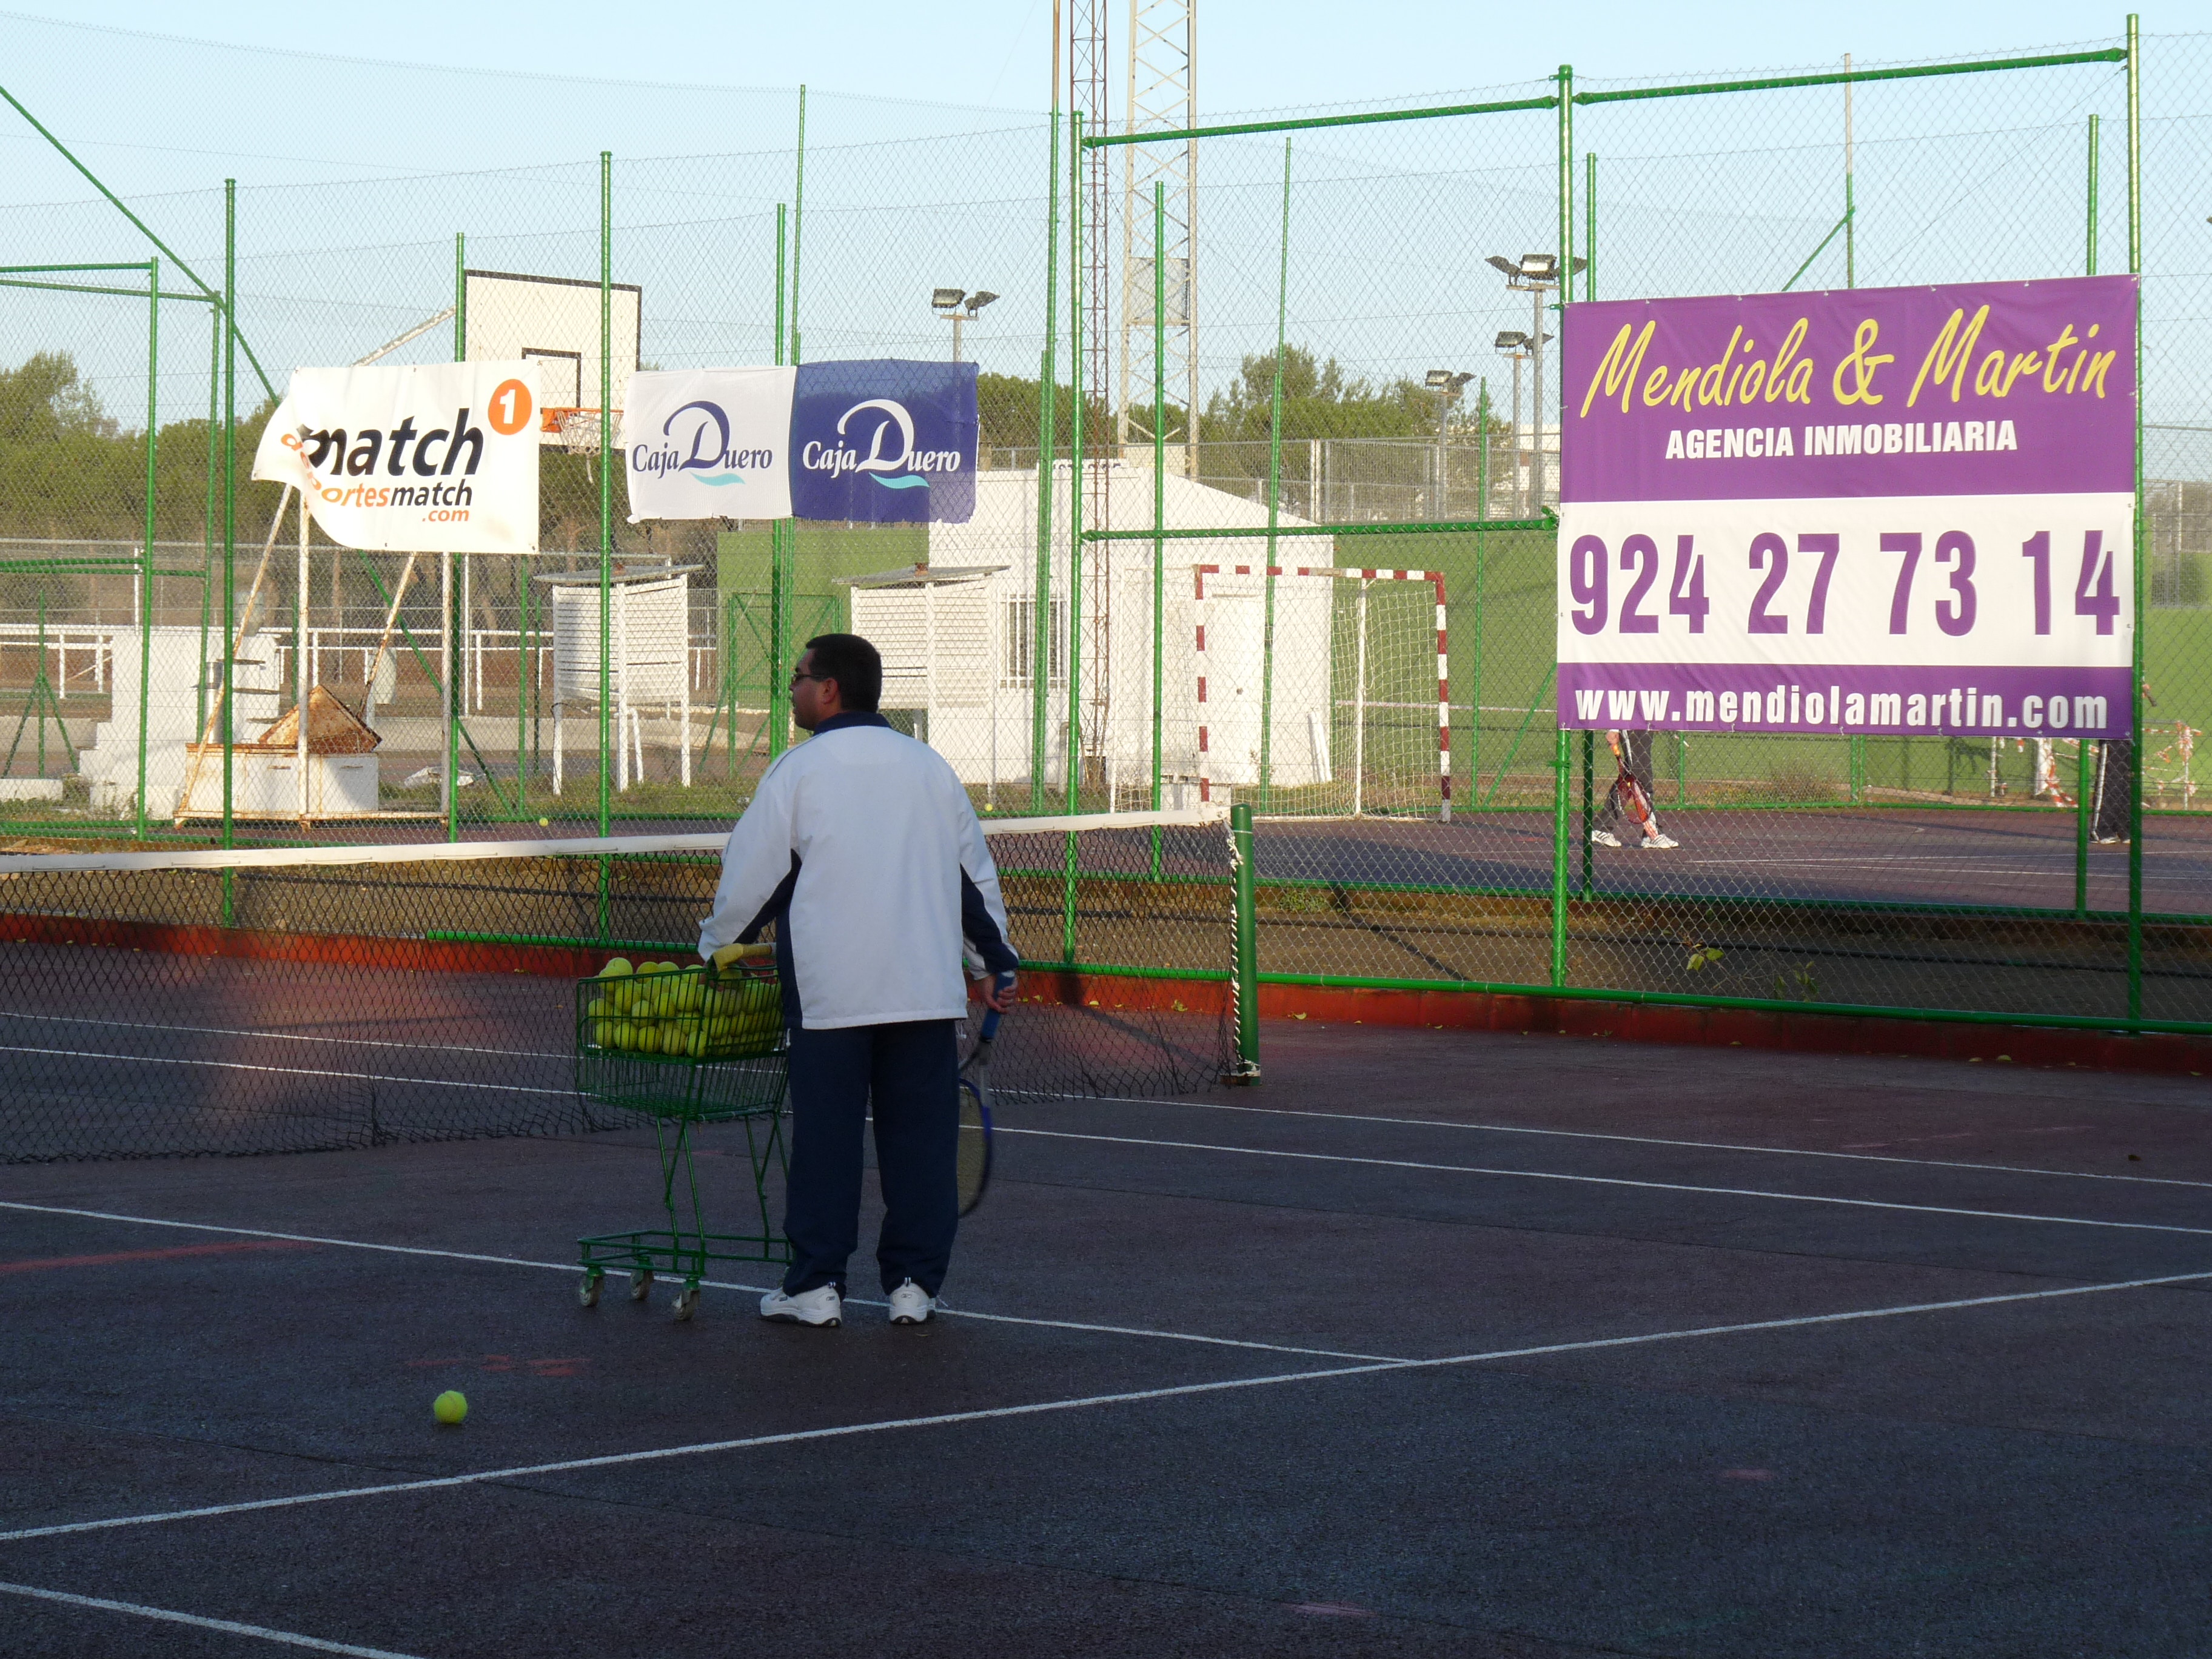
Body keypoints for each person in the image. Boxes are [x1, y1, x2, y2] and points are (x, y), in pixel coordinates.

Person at [699, 632, 1019, 1329]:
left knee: (826, 1145)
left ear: (829, 689)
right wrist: (993, 962)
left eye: (797, 677)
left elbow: (754, 877)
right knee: (921, 1149)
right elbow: (971, 878)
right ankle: (913, 1288)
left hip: (832, 997)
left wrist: (716, 948)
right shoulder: (930, 767)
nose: (791, 689)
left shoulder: (798, 770)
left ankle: (816, 1289)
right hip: (924, 994)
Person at [1589, 728, 1678, 850]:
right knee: (1642, 776)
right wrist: (1614, 728)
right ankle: (1652, 834)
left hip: (1646, 723)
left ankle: (1601, 827)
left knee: (1629, 778)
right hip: (1631, 724)